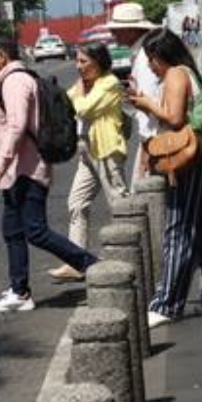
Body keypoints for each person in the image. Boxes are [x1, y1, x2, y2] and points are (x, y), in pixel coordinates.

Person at [0, 37, 98, 312]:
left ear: (1, 55)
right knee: (13, 230)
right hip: (19, 170)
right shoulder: (16, 79)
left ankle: (92, 265)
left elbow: (18, 125)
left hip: (26, 169)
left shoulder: (15, 82)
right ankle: (19, 290)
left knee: (35, 230)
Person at [128, 29, 202, 328]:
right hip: (200, 158)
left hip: (189, 160)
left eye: (151, 59)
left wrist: (146, 104)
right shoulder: (187, 71)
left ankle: (167, 303)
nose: (149, 66)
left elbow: (174, 118)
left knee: (178, 228)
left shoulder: (175, 74)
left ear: (163, 55)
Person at [48, 42, 128, 281]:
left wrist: (77, 94)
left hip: (106, 150)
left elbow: (84, 108)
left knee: (118, 201)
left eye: (83, 61)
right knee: (76, 202)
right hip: (86, 151)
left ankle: (129, 253)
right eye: (77, 61)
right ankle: (76, 260)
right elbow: (64, 101)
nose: (78, 66)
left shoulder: (110, 83)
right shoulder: (84, 85)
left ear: (98, 62)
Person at [107, 2, 159, 187]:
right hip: (153, 136)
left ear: (131, 30)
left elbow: (148, 102)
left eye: (117, 30)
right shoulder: (142, 53)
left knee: (147, 192)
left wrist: (147, 147)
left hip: (154, 137)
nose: (113, 34)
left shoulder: (145, 57)